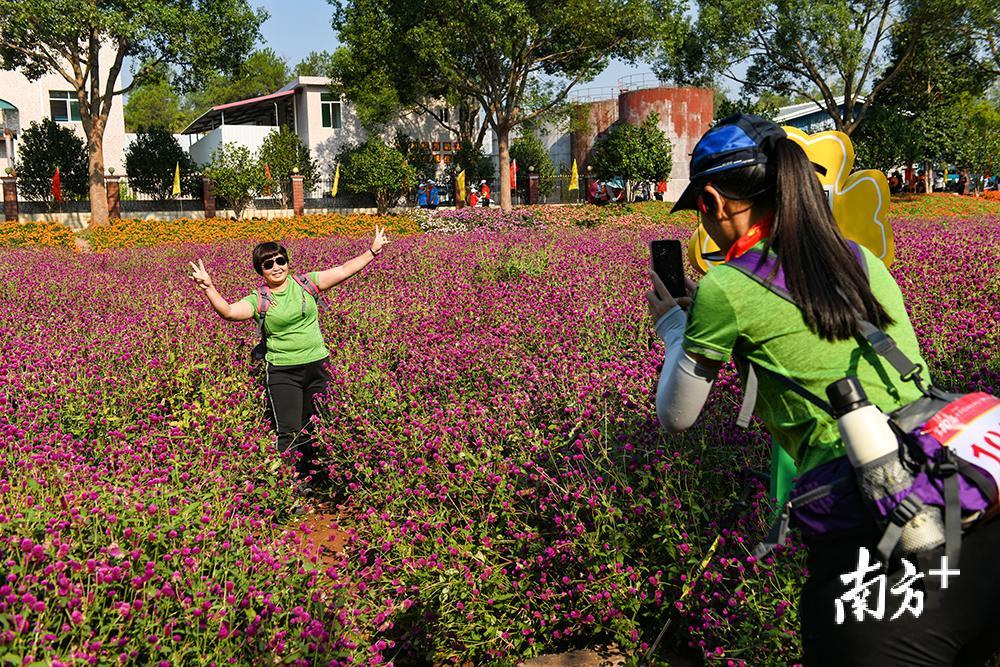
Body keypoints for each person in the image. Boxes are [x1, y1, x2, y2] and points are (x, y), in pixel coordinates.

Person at [647, 114, 1000, 665]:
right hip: (964, 506)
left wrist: (674, 327)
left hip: (876, 537)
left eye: (701, 210)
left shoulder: (726, 287)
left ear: (712, 202)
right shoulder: (861, 258)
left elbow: (677, 414)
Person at [188, 227, 391, 493]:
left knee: (321, 422)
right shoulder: (259, 299)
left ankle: (322, 475)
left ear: (287, 261)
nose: (276, 267)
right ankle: (293, 484)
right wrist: (209, 288)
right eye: (268, 264)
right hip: (283, 371)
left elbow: (344, 270)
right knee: (289, 428)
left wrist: (372, 251)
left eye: (280, 260)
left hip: (318, 365)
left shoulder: (307, 283)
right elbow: (229, 312)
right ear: (260, 270)